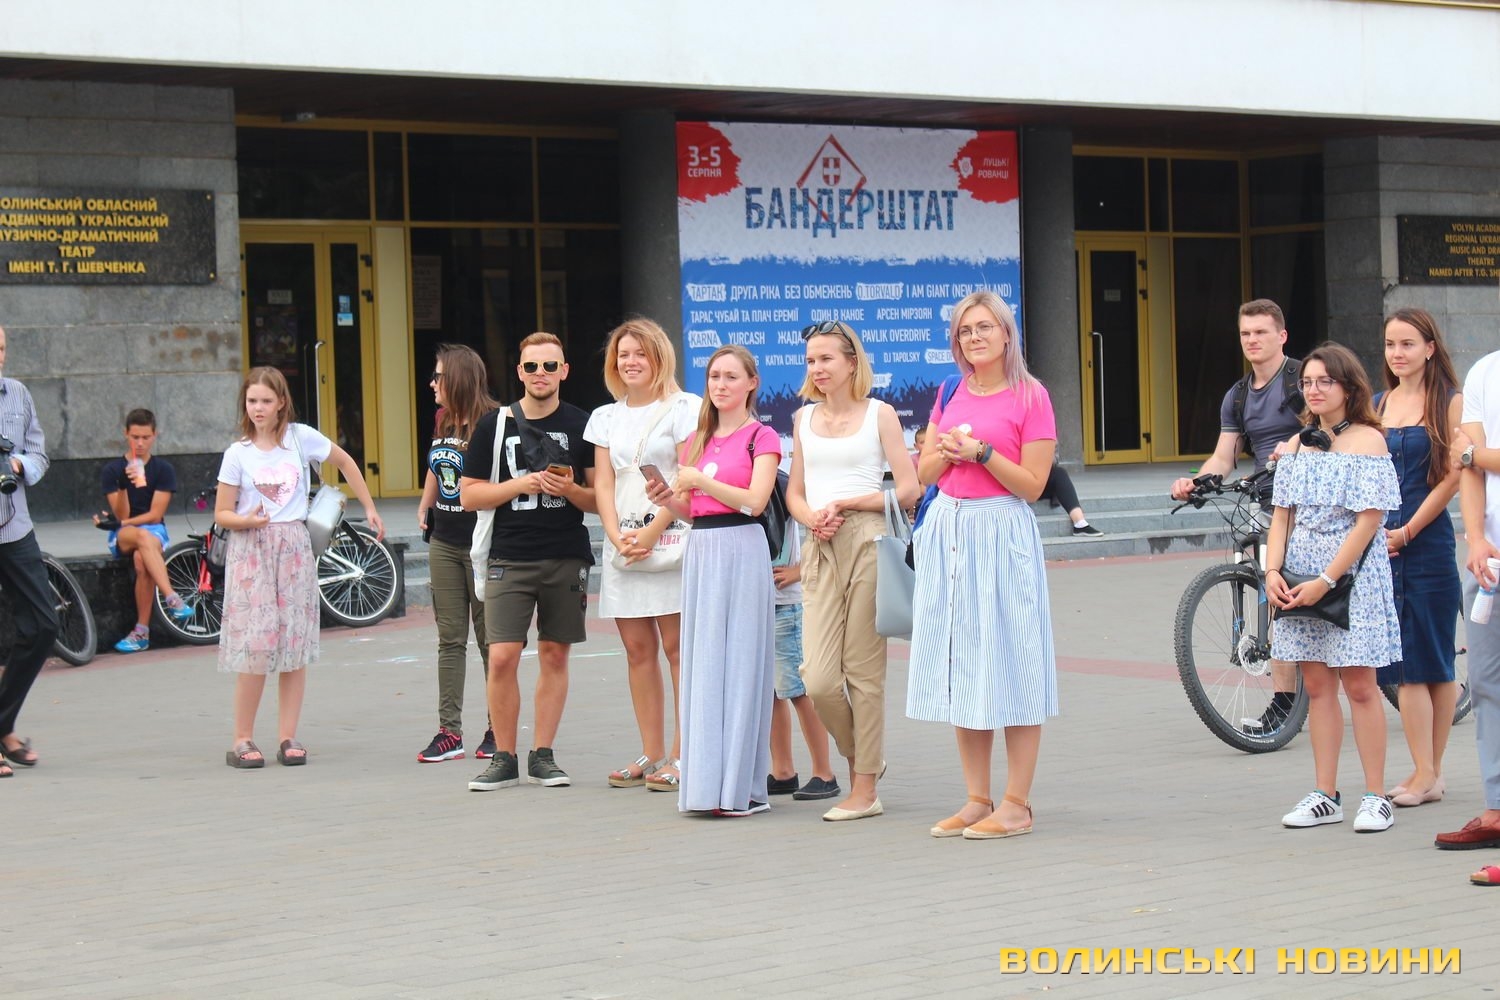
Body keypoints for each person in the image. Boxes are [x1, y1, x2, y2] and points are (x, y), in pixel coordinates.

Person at [907, 291, 1057, 840]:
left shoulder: (1031, 395)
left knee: (1015, 660)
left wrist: (984, 455)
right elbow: (923, 474)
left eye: (984, 327)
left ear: (1006, 333)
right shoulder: (950, 390)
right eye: (965, 330)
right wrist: (945, 454)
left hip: (1001, 531)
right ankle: (977, 798)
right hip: (950, 531)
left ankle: (1016, 803)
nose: (974, 337)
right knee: (962, 663)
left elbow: (1034, 486)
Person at [216, 367, 384, 768]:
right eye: (252, 401)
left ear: (281, 403)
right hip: (252, 550)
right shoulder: (237, 453)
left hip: (294, 547)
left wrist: (369, 507)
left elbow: (345, 462)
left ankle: (287, 736)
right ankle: (242, 738)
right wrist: (246, 520)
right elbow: (222, 513)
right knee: (257, 645)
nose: (258, 408)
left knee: (293, 644)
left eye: (265, 401)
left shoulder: (299, 437)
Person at [1263, 342, 1400, 832]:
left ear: (1348, 386)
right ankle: (1325, 793)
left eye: (1325, 381)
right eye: (1307, 382)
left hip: (1351, 577)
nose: (1314, 390)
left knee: (1360, 685)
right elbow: (1282, 516)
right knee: (1318, 686)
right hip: (1298, 576)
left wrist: (1327, 580)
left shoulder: (1369, 441)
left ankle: (1377, 796)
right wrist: (1272, 571)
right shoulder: (1299, 443)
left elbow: (1368, 522)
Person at [787, 320, 919, 822]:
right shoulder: (803, 418)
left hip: (868, 539)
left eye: (826, 359)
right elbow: (794, 491)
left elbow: (908, 489)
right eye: (810, 361)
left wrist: (850, 502)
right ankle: (867, 758)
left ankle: (864, 789)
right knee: (818, 678)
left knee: (863, 672)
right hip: (819, 543)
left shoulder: (879, 414)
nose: (817, 369)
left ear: (850, 362)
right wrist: (810, 517)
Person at [645, 344, 780, 816]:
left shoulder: (762, 437)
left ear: (751, 383)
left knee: (741, 663)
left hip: (743, 546)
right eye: (714, 376)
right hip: (703, 549)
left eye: (731, 377)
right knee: (704, 664)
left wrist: (699, 480)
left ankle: (743, 788)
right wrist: (667, 497)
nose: (720, 385)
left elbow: (755, 501)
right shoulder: (696, 441)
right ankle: (706, 785)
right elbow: (693, 510)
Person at [463, 332, 597, 792]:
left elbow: (600, 499)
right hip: (509, 555)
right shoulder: (493, 425)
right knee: (502, 657)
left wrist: (570, 490)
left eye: (550, 365)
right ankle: (503, 756)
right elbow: (469, 495)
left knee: (555, 654)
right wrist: (521, 485)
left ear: (564, 371)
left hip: (566, 554)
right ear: (520, 372)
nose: (541, 374)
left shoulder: (582, 424)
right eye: (533, 366)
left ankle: (543, 754)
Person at [1170, 299, 1305, 734]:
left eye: (1261, 332)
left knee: (1305, 590)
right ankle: (1286, 703)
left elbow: (1330, 430)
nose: (1252, 340)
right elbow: (1224, 456)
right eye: (1245, 333)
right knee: (1273, 591)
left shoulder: (1302, 379)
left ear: (1282, 336)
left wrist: (1297, 445)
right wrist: (1197, 481)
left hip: (1310, 502)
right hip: (1267, 501)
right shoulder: (1239, 395)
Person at [584, 318, 698, 792]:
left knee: (678, 651)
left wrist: (651, 532)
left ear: (659, 357)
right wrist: (615, 535)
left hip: (670, 539)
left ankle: (684, 754)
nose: (630, 362)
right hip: (624, 545)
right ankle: (651, 753)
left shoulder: (685, 408)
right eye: (623, 354)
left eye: (640, 354)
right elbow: (603, 483)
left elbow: (687, 478)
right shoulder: (604, 417)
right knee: (637, 651)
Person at [1374, 310, 1462, 807]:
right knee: (1405, 662)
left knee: (1432, 661)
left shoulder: (1450, 401)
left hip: (1427, 544)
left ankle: (1429, 773)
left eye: (1407, 343)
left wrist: (1408, 531)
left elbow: (1452, 478)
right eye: (1390, 344)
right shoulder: (1379, 403)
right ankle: (1426, 772)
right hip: (1381, 545)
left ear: (1430, 348)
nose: (1397, 353)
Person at [415, 345, 498, 763]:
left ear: (459, 379)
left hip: (482, 543)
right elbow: (437, 464)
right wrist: (425, 504)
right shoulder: (443, 419)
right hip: (444, 541)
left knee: (490, 640)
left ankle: (498, 728)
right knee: (450, 639)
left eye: (438, 376)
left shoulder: (494, 421)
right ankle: (450, 732)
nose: (432, 383)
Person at [1437, 346, 1500, 876]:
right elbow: (1467, 466)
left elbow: (1469, 454)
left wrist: (1472, 453)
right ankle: (1497, 808)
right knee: (1485, 683)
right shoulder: (1486, 370)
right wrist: (1476, 538)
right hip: (1490, 559)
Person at [0, 324, 58, 777]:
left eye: (1, 347)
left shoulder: (17, 393)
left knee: (42, 625)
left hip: (14, 525)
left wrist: (20, 463)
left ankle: (2, 723)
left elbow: (39, 451)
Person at [97, 408, 194, 653]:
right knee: (141, 536)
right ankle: (171, 597)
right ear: (126, 434)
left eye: (145, 437)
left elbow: (155, 515)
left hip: (153, 530)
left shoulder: (163, 469)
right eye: (135, 437)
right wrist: (123, 486)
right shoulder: (113, 470)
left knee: (142, 560)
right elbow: (123, 516)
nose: (140, 443)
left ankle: (141, 632)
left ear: (155, 435)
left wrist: (120, 523)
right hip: (126, 533)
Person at [767, 522, 838, 801]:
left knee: (799, 689)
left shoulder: (789, 491)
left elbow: (819, 525)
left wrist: (800, 570)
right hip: (760, 598)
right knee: (770, 692)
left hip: (785, 601)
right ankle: (782, 770)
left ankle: (824, 772)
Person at [1042, 460, 1101, 536]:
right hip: (1026, 485)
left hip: (1038, 481)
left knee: (1059, 473)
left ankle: (1080, 523)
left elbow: (1054, 461)